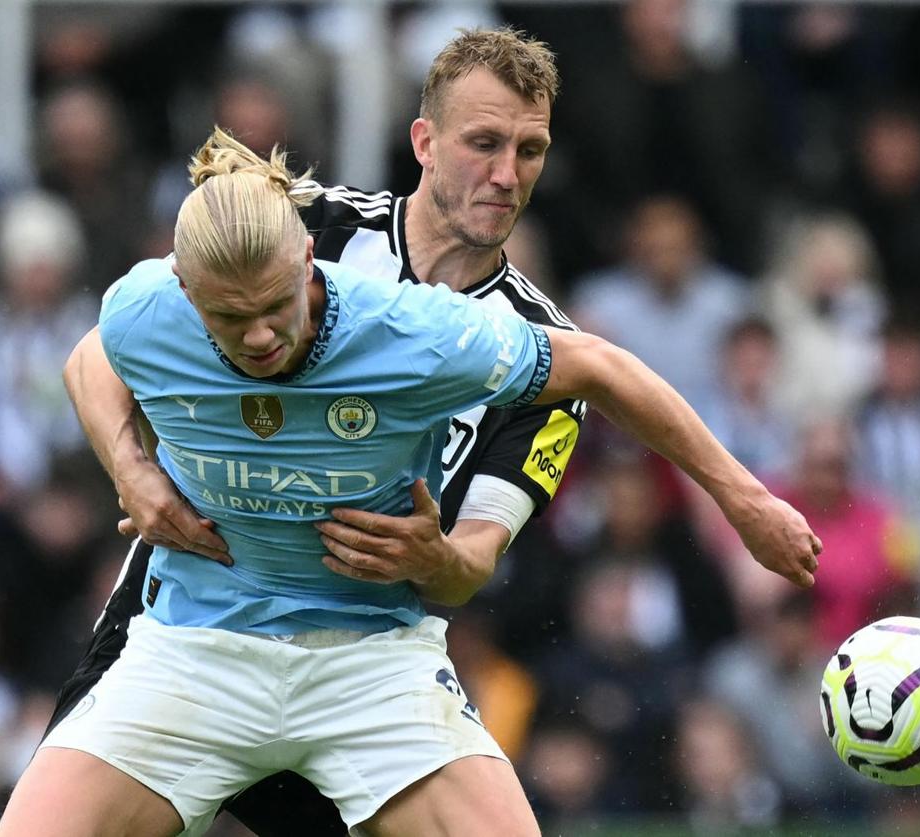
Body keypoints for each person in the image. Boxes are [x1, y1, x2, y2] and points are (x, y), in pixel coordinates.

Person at [0, 128, 820, 837]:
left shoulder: (412, 332)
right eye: (227, 317)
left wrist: (743, 498)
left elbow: (599, 367)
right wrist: (130, 469)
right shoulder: (147, 308)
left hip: (370, 664)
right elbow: (92, 357)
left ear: (306, 255)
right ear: (182, 291)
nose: (258, 336)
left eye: (276, 305)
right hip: (191, 655)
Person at [55, 28, 587, 836]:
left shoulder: (548, 364)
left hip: (355, 657)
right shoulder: (311, 229)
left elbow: (472, 564)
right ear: (425, 141)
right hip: (182, 623)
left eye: (530, 149)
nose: (505, 175)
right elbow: (101, 354)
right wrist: (130, 469)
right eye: (483, 143)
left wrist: (439, 557)